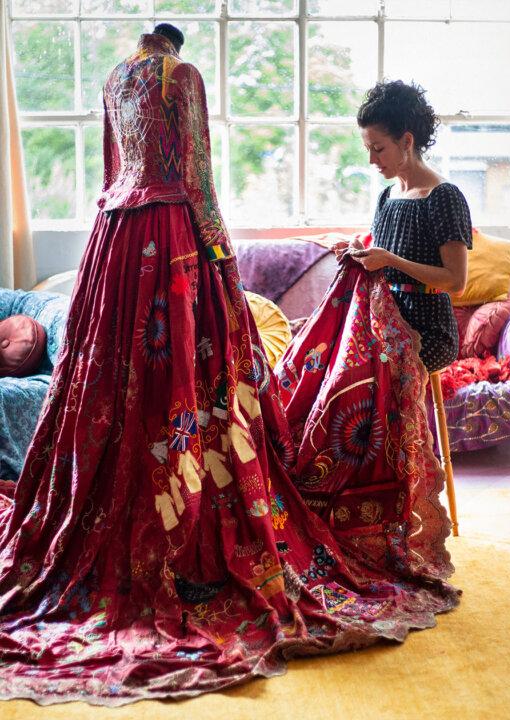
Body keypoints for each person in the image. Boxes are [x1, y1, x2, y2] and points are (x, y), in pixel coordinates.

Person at [0, 24, 458, 705]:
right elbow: (197, 175)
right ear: (177, 45)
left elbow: (109, 170)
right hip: (175, 234)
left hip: (119, 238)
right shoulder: (180, 77)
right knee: (194, 372)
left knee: (124, 381)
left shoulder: (115, 78)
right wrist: (220, 257)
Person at [344, 80, 472, 374]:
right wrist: (360, 255)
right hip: (388, 319)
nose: (371, 160)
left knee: (361, 373)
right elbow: (381, 267)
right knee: (334, 360)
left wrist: (391, 260)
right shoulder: (387, 197)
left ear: (407, 142)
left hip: (429, 331)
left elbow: (456, 282)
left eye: (378, 149)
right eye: (367, 148)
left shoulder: (443, 197)